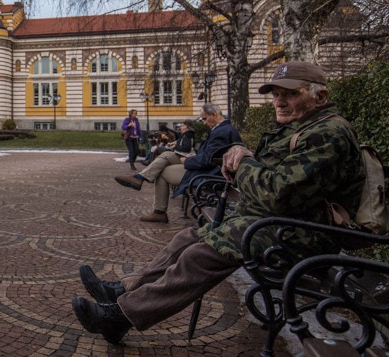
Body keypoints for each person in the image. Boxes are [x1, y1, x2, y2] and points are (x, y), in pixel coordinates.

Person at [72, 61, 366, 344]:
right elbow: (269, 182)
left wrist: (244, 161)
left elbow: (278, 194)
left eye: (290, 93)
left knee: (202, 254)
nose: (279, 101)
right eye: (276, 94)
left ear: (320, 95)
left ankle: (120, 317)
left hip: (305, 233)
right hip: (278, 222)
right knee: (188, 236)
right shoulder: (301, 127)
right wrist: (242, 154)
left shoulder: (328, 133)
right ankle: (121, 292)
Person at [114, 104, 241, 223]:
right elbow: (210, 155)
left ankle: (158, 210)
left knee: (162, 172)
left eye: (205, 119)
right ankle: (140, 178)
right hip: (206, 169)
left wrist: (188, 160)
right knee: (167, 155)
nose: (204, 122)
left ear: (214, 114)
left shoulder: (222, 132)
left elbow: (208, 161)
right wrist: (195, 155)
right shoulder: (222, 129)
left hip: (208, 174)